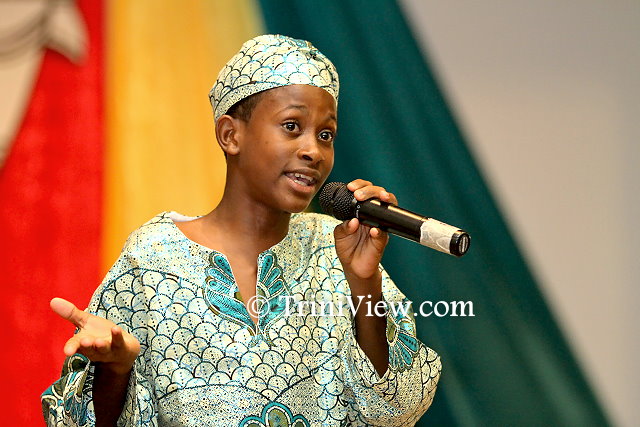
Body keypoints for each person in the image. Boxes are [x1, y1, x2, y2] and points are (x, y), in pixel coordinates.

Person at [42, 34, 441, 426]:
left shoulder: (335, 249)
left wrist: (364, 282)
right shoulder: (151, 258)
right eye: (291, 126)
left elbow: (396, 410)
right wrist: (116, 368)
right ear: (230, 135)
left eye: (326, 135)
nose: (313, 151)